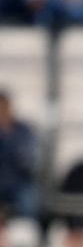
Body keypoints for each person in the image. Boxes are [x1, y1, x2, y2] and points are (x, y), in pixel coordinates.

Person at [0, 91, 38, 219]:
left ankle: (25, 234)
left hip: (18, 181)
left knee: (30, 202)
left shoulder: (23, 130)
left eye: (4, 108)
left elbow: (28, 159)